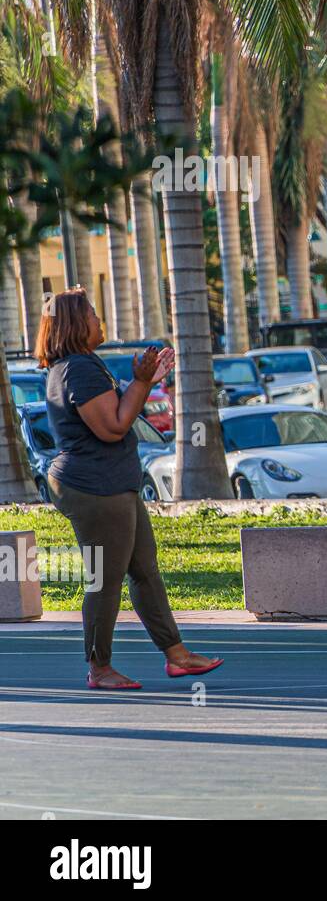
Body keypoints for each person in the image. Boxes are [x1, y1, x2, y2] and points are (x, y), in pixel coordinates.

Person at [38, 288, 223, 690]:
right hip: (95, 487)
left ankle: (177, 655)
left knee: (144, 571)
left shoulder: (78, 365)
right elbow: (113, 426)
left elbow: (118, 413)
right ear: (75, 323)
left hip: (111, 483)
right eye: (91, 312)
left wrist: (145, 381)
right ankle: (99, 668)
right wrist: (140, 381)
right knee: (105, 580)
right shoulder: (78, 370)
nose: (98, 319)